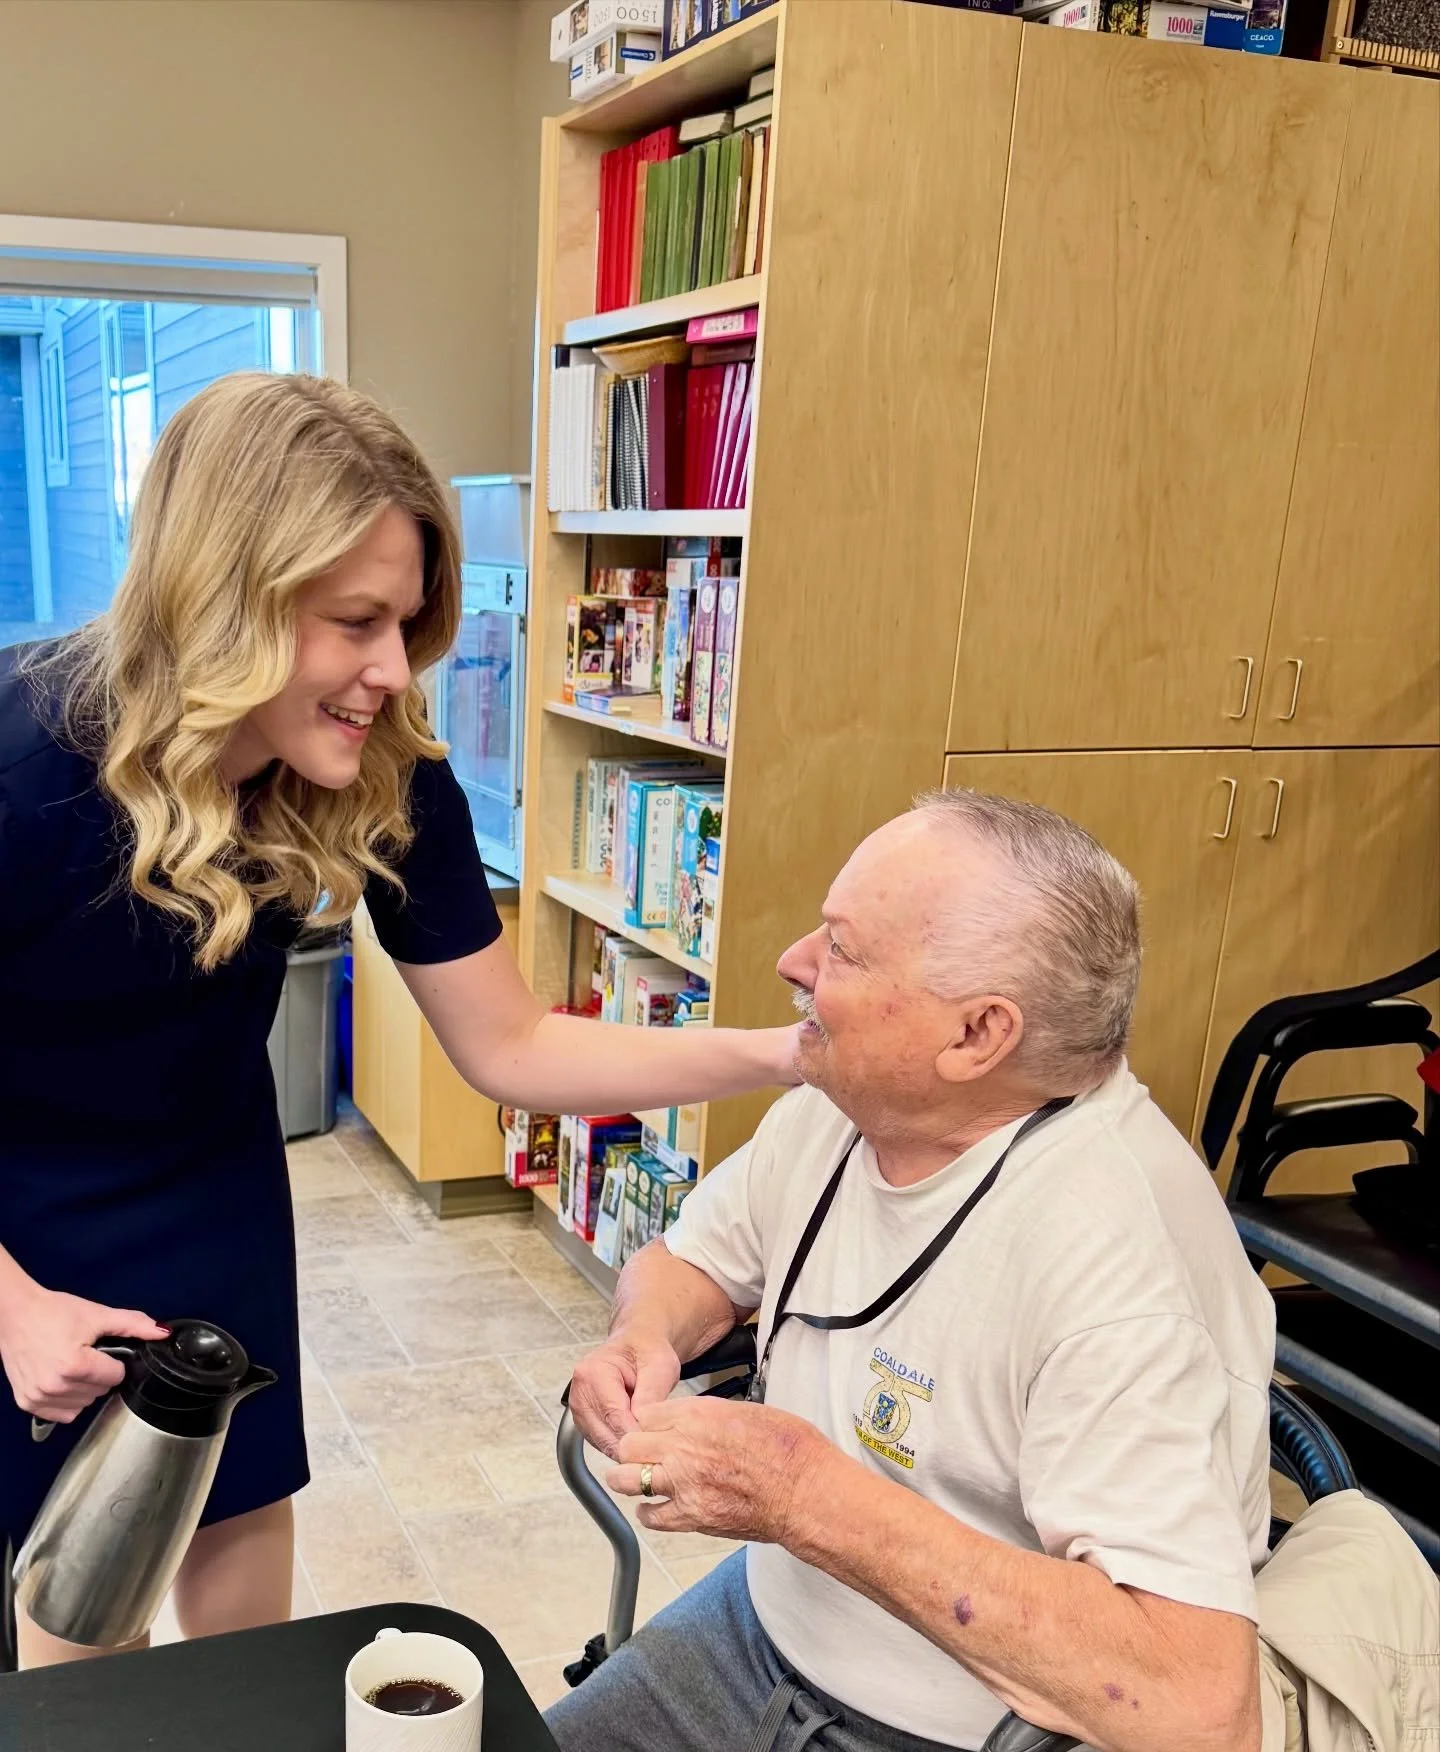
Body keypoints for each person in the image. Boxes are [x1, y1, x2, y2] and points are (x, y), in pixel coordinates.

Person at [0, 372, 797, 1669]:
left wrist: (780, 1055)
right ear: (226, 599)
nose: (392, 671)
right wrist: (12, 1306)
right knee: (75, 1639)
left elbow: (514, 1043)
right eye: (356, 622)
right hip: (14, 1231)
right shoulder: (26, 758)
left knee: (238, 1598)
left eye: (408, 621)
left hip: (214, 1206)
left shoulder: (380, 766)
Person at [555, 790, 1277, 1752]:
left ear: (978, 1035)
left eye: (844, 951)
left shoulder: (1118, 1267)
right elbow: (690, 1261)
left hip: (965, 1728)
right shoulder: (845, 1104)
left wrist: (805, 1497)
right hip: (762, 1630)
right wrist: (644, 1333)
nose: (795, 962)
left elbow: (1195, 1705)